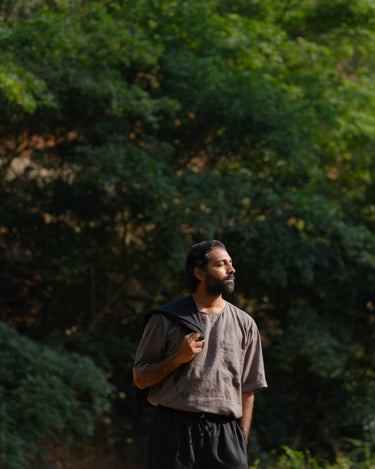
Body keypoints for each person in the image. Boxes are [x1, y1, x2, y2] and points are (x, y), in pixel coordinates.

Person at [133, 239, 267, 469]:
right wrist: (177, 358)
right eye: (221, 264)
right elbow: (141, 378)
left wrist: (240, 442)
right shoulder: (166, 319)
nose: (231, 269)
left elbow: (248, 389)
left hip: (226, 435)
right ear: (200, 273)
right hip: (175, 430)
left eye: (231, 263)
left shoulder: (245, 323)